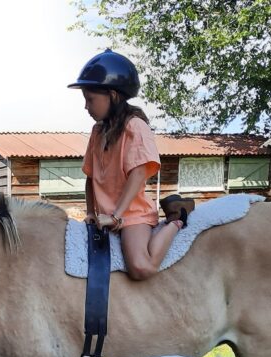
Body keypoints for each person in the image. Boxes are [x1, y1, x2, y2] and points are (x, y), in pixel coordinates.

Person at [69, 49, 189, 281]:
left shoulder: (135, 127)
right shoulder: (97, 131)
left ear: (112, 95)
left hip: (131, 213)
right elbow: (90, 176)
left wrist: (116, 216)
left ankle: (177, 220)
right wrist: (91, 212)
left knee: (141, 267)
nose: (86, 107)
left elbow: (138, 173)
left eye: (90, 99)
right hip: (106, 213)